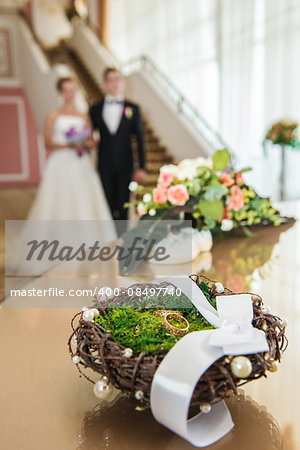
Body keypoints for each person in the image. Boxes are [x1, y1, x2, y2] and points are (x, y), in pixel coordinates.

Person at [28, 76, 116, 242]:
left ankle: (86, 241)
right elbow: (47, 142)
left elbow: (90, 139)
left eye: (73, 90)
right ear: (60, 93)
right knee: (60, 200)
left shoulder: (83, 116)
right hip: (60, 162)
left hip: (80, 163)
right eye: (66, 90)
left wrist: (87, 143)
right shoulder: (53, 115)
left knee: (84, 200)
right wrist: (69, 146)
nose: (70, 94)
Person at [89, 68, 147, 224]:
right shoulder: (95, 109)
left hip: (126, 165)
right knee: (106, 205)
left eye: (118, 79)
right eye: (110, 80)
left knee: (123, 205)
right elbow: (89, 135)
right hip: (104, 165)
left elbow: (139, 140)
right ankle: (108, 240)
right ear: (104, 84)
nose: (115, 83)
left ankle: (121, 240)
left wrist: (142, 167)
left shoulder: (133, 108)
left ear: (122, 83)